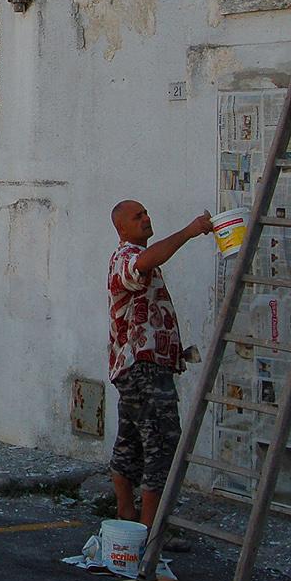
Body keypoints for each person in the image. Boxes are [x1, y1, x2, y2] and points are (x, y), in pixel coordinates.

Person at [108, 200, 214, 531]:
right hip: (142, 370)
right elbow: (143, 261)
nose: (146, 218)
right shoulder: (125, 259)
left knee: (131, 441)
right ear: (122, 228)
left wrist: (174, 354)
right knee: (163, 443)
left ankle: (128, 518)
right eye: (137, 216)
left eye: (146, 213)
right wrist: (190, 232)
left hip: (139, 368)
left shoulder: (137, 261)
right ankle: (150, 532)